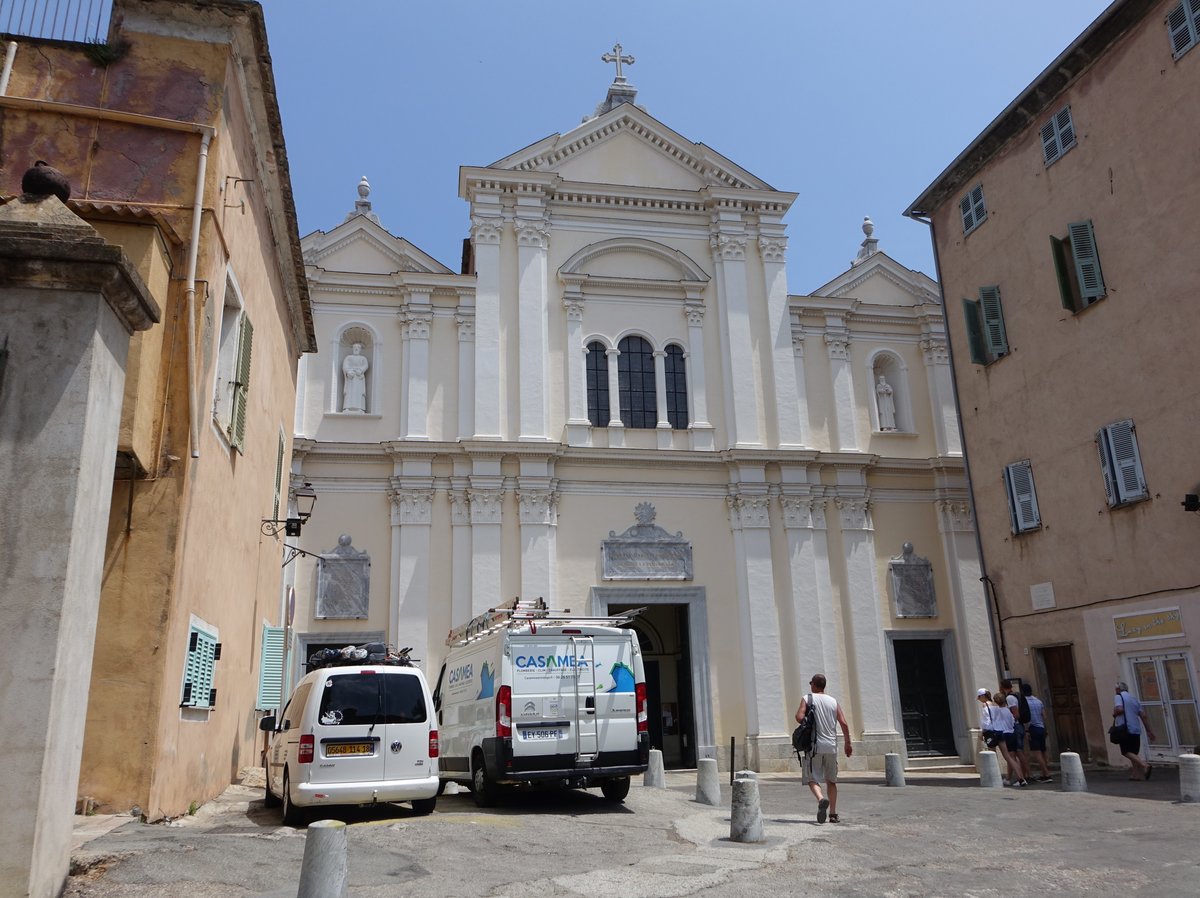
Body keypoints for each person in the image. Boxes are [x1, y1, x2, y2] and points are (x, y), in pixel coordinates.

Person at [795, 673, 852, 824]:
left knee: (811, 778)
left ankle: (821, 799)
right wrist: (848, 743)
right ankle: (833, 814)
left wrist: (808, 716)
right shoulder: (833, 701)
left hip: (814, 746)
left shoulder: (807, 698)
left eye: (811, 684)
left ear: (814, 685)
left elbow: (799, 717)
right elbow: (844, 723)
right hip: (831, 746)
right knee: (831, 780)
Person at [976, 688, 1025, 786]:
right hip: (1000, 732)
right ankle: (1021, 778)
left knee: (991, 755)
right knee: (1008, 757)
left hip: (991, 733)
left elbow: (987, 723)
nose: (979, 699)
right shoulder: (996, 707)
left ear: (983, 696)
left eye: (979, 697)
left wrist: (982, 733)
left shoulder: (985, 706)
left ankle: (993, 778)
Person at [1113, 681, 1156, 781]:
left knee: (1126, 751)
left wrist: (1115, 713)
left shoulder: (1118, 696)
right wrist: (1148, 730)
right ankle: (1136, 775)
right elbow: (1143, 715)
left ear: (1118, 689)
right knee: (1133, 752)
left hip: (1125, 728)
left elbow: (1119, 709)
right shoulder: (1134, 698)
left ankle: (1144, 765)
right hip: (1136, 728)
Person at [998, 679, 1028, 785]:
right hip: (1015, 727)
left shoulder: (1010, 698)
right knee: (1014, 754)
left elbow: (1016, 714)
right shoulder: (1014, 696)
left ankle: (1024, 776)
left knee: (1017, 753)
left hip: (1015, 727)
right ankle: (1011, 777)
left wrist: (1011, 723)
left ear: (1002, 687)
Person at [1021, 683, 1052, 782]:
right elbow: (1044, 715)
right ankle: (1045, 773)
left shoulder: (1024, 703)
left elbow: (1026, 718)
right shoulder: (1038, 701)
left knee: (1037, 753)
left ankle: (1046, 774)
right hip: (1041, 727)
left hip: (1032, 728)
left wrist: (1026, 730)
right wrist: (1045, 728)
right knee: (1043, 752)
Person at [342, 342, 369, 412]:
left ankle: (359, 407)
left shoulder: (363, 358)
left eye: (358, 348)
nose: (356, 349)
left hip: (359, 377)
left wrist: (361, 370)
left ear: (360, 349)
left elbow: (366, 365)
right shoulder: (348, 357)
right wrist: (348, 372)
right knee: (349, 392)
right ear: (353, 349)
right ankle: (347, 407)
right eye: (355, 347)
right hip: (351, 377)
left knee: (359, 392)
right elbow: (345, 366)